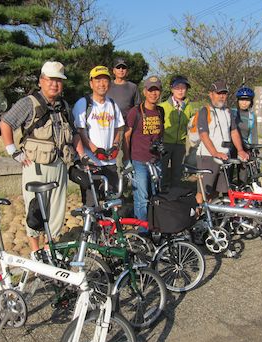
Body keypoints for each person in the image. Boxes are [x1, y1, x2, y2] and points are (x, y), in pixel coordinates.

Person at [0, 61, 74, 258]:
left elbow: (73, 134)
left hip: (59, 165)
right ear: (41, 81)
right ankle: (35, 250)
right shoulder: (28, 103)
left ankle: (50, 249)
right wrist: (13, 151)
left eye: (58, 80)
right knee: (35, 209)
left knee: (57, 210)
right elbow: (5, 123)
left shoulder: (64, 106)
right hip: (36, 166)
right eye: (50, 80)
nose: (54, 84)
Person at [72, 65, 125, 206]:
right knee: (92, 202)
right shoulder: (83, 104)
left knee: (112, 201)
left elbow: (119, 128)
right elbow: (79, 131)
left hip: (110, 162)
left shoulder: (112, 104)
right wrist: (94, 149)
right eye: (98, 80)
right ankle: (92, 228)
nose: (102, 84)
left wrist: (115, 145)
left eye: (105, 80)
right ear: (91, 83)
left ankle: (109, 228)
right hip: (91, 162)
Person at [195, 80, 249, 202]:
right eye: (218, 93)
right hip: (207, 156)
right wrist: (215, 153)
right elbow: (203, 135)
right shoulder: (205, 111)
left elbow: (234, 131)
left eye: (224, 93)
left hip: (224, 157)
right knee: (203, 192)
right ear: (211, 94)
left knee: (217, 191)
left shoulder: (228, 112)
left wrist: (240, 150)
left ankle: (211, 219)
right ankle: (196, 217)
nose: (221, 96)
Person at [123, 76, 164, 230]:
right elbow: (126, 136)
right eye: (150, 90)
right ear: (145, 91)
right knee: (142, 198)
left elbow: (160, 134)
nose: (154, 94)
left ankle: (154, 226)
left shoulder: (160, 111)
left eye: (157, 90)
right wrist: (127, 160)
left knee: (155, 195)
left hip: (156, 161)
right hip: (139, 160)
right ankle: (142, 232)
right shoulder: (135, 112)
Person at [159, 75, 195, 191]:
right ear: (171, 89)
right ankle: (161, 194)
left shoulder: (190, 107)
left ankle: (174, 195)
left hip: (180, 144)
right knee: (162, 171)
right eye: (177, 87)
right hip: (165, 143)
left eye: (183, 87)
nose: (180, 90)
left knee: (177, 173)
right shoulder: (162, 106)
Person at [231, 86, 257, 185]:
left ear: (251, 102)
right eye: (242, 100)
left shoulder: (251, 116)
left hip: (245, 148)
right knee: (228, 172)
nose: (244, 102)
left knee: (243, 174)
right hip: (231, 147)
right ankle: (227, 196)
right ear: (237, 101)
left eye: (247, 100)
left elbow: (254, 134)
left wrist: (254, 150)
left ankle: (242, 195)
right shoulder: (231, 113)